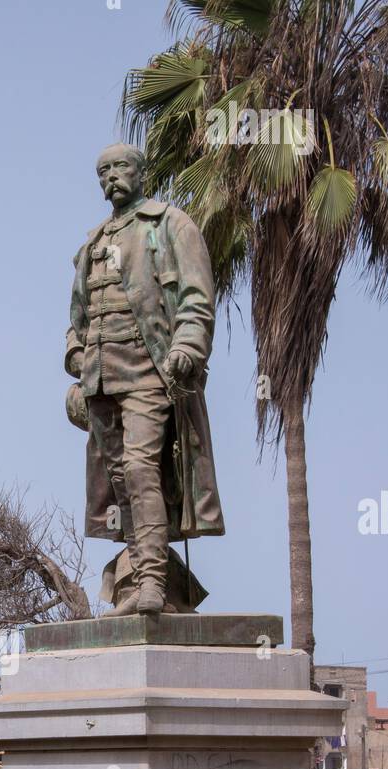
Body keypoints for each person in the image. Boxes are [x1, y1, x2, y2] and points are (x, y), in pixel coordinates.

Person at [65, 142, 224, 614]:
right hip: (100, 382)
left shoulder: (171, 224)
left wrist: (187, 347)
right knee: (120, 482)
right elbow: (76, 321)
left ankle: (153, 584)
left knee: (140, 469)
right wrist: (75, 358)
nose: (111, 177)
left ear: (140, 172)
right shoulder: (92, 243)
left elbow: (197, 297)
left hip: (149, 372)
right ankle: (138, 579)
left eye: (120, 168)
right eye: (102, 171)